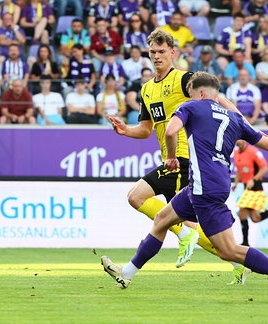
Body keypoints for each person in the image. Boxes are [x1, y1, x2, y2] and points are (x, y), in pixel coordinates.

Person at [101, 72, 268, 303]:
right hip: (212, 183)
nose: (188, 98)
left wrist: (171, 157)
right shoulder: (235, 118)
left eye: (190, 95)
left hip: (204, 187)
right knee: (162, 219)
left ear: (200, 93)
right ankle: (126, 274)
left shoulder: (192, 107)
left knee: (229, 251)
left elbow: (170, 130)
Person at [108, 29, 253, 283]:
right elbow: (145, 130)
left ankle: (173, 242)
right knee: (192, 227)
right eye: (152, 52)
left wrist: (242, 123)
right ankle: (237, 262)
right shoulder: (146, 90)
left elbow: (216, 97)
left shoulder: (183, 79)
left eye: (162, 52)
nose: (156, 56)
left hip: (186, 158)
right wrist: (125, 131)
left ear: (173, 52)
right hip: (170, 158)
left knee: (137, 197)